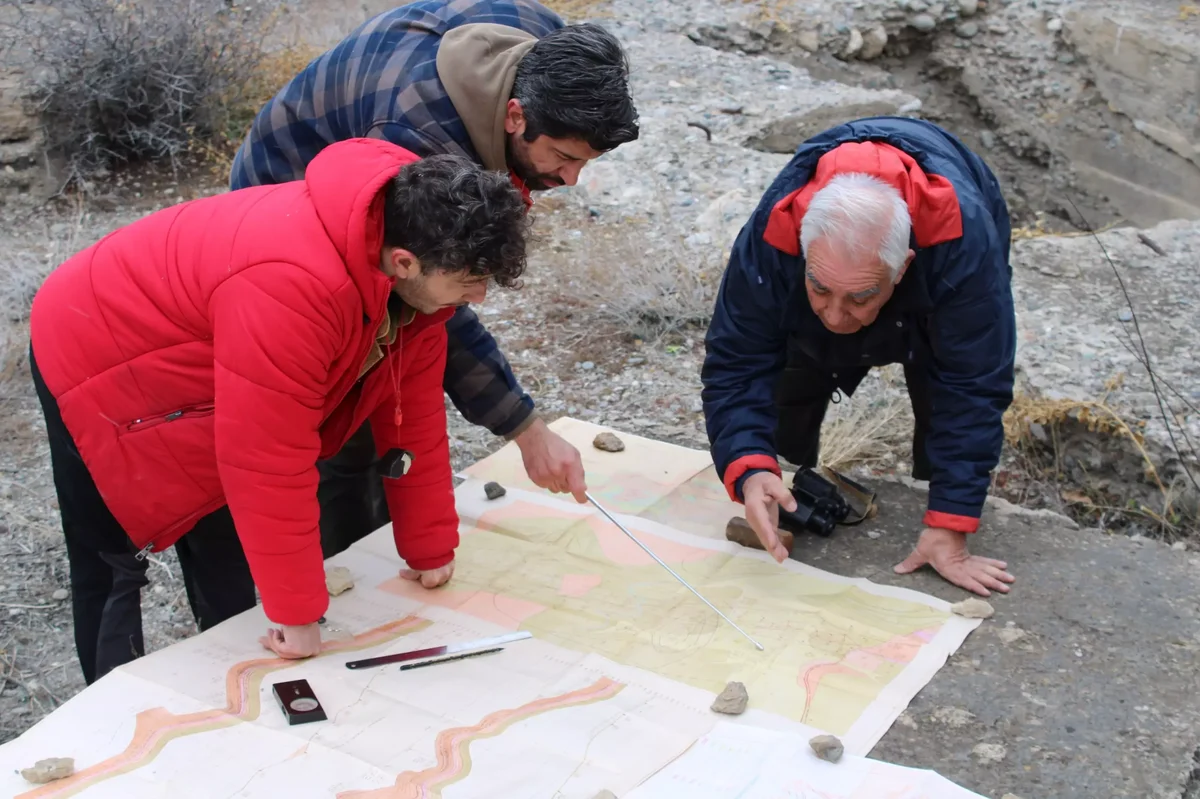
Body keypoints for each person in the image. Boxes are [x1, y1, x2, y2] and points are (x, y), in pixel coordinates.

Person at [29, 138, 531, 681]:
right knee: (112, 555)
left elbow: (413, 416)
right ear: (405, 262)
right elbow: (269, 456)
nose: (478, 298)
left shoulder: (412, 264)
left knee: (224, 521)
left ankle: (236, 662)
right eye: (469, 282)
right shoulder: (296, 286)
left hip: (205, 341)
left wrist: (429, 547)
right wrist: (299, 613)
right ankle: (104, 716)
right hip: (91, 343)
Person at [229, 0, 640, 557]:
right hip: (282, 184)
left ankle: (389, 526)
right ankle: (345, 565)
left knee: (406, 363)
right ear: (515, 115)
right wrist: (525, 428)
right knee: (349, 386)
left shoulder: (545, 49)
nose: (571, 179)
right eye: (564, 157)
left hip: (371, 125)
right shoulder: (419, 144)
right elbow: (438, 306)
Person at [701, 116, 1018, 598]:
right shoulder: (776, 234)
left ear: (903, 267)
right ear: (804, 254)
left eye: (860, 298)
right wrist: (749, 464)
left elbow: (973, 381)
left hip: (943, 253)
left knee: (941, 385)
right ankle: (780, 484)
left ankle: (942, 508)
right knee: (796, 371)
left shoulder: (962, 244)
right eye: (820, 288)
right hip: (830, 263)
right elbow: (739, 358)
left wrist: (952, 523)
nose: (835, 315)